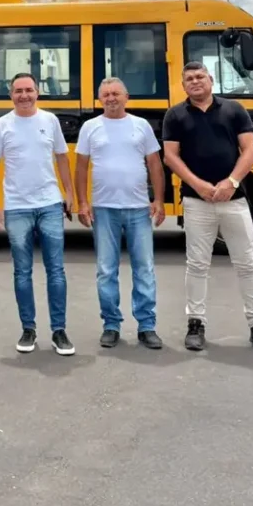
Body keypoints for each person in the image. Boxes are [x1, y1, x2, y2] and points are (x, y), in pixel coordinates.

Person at [162, 61, 253, 353]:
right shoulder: (175, 115)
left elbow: (250, 151)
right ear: (183, 84)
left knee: (246, 264)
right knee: (197, 265)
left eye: (199, 76)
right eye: (189, 78)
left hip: (234, 200)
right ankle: (196, 323)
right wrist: (199, 185)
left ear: (210, 80)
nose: (195, 81)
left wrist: (230, 182)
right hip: (195, 200)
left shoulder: (234, 110)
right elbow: (171, 157)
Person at [0, 72, 76, 356]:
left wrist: (69, 193)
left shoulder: (49, 121)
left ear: (38, 92)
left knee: (56, 271)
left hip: (49, 203)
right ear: (11, 95)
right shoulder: (2, 125)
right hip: (17, 206)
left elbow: (62, 157)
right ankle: (28, 329)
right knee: (22, 272)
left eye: (29, 90)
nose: (24, 95)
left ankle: (59, 331)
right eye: (18, 91)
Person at [76, 77, 166, 350]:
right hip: (104, 209)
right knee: (106, 270)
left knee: (144, 269)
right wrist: (82, 202)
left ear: (126, 97)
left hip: (138, 208)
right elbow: (81, 167)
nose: (111, 98)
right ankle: (111, 325)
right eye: (106, 95)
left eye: (116, 94)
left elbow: (155, 164)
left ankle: (147, 326)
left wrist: (159, 200)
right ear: (99, 99)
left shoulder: (141, 126)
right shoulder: (90, 127)